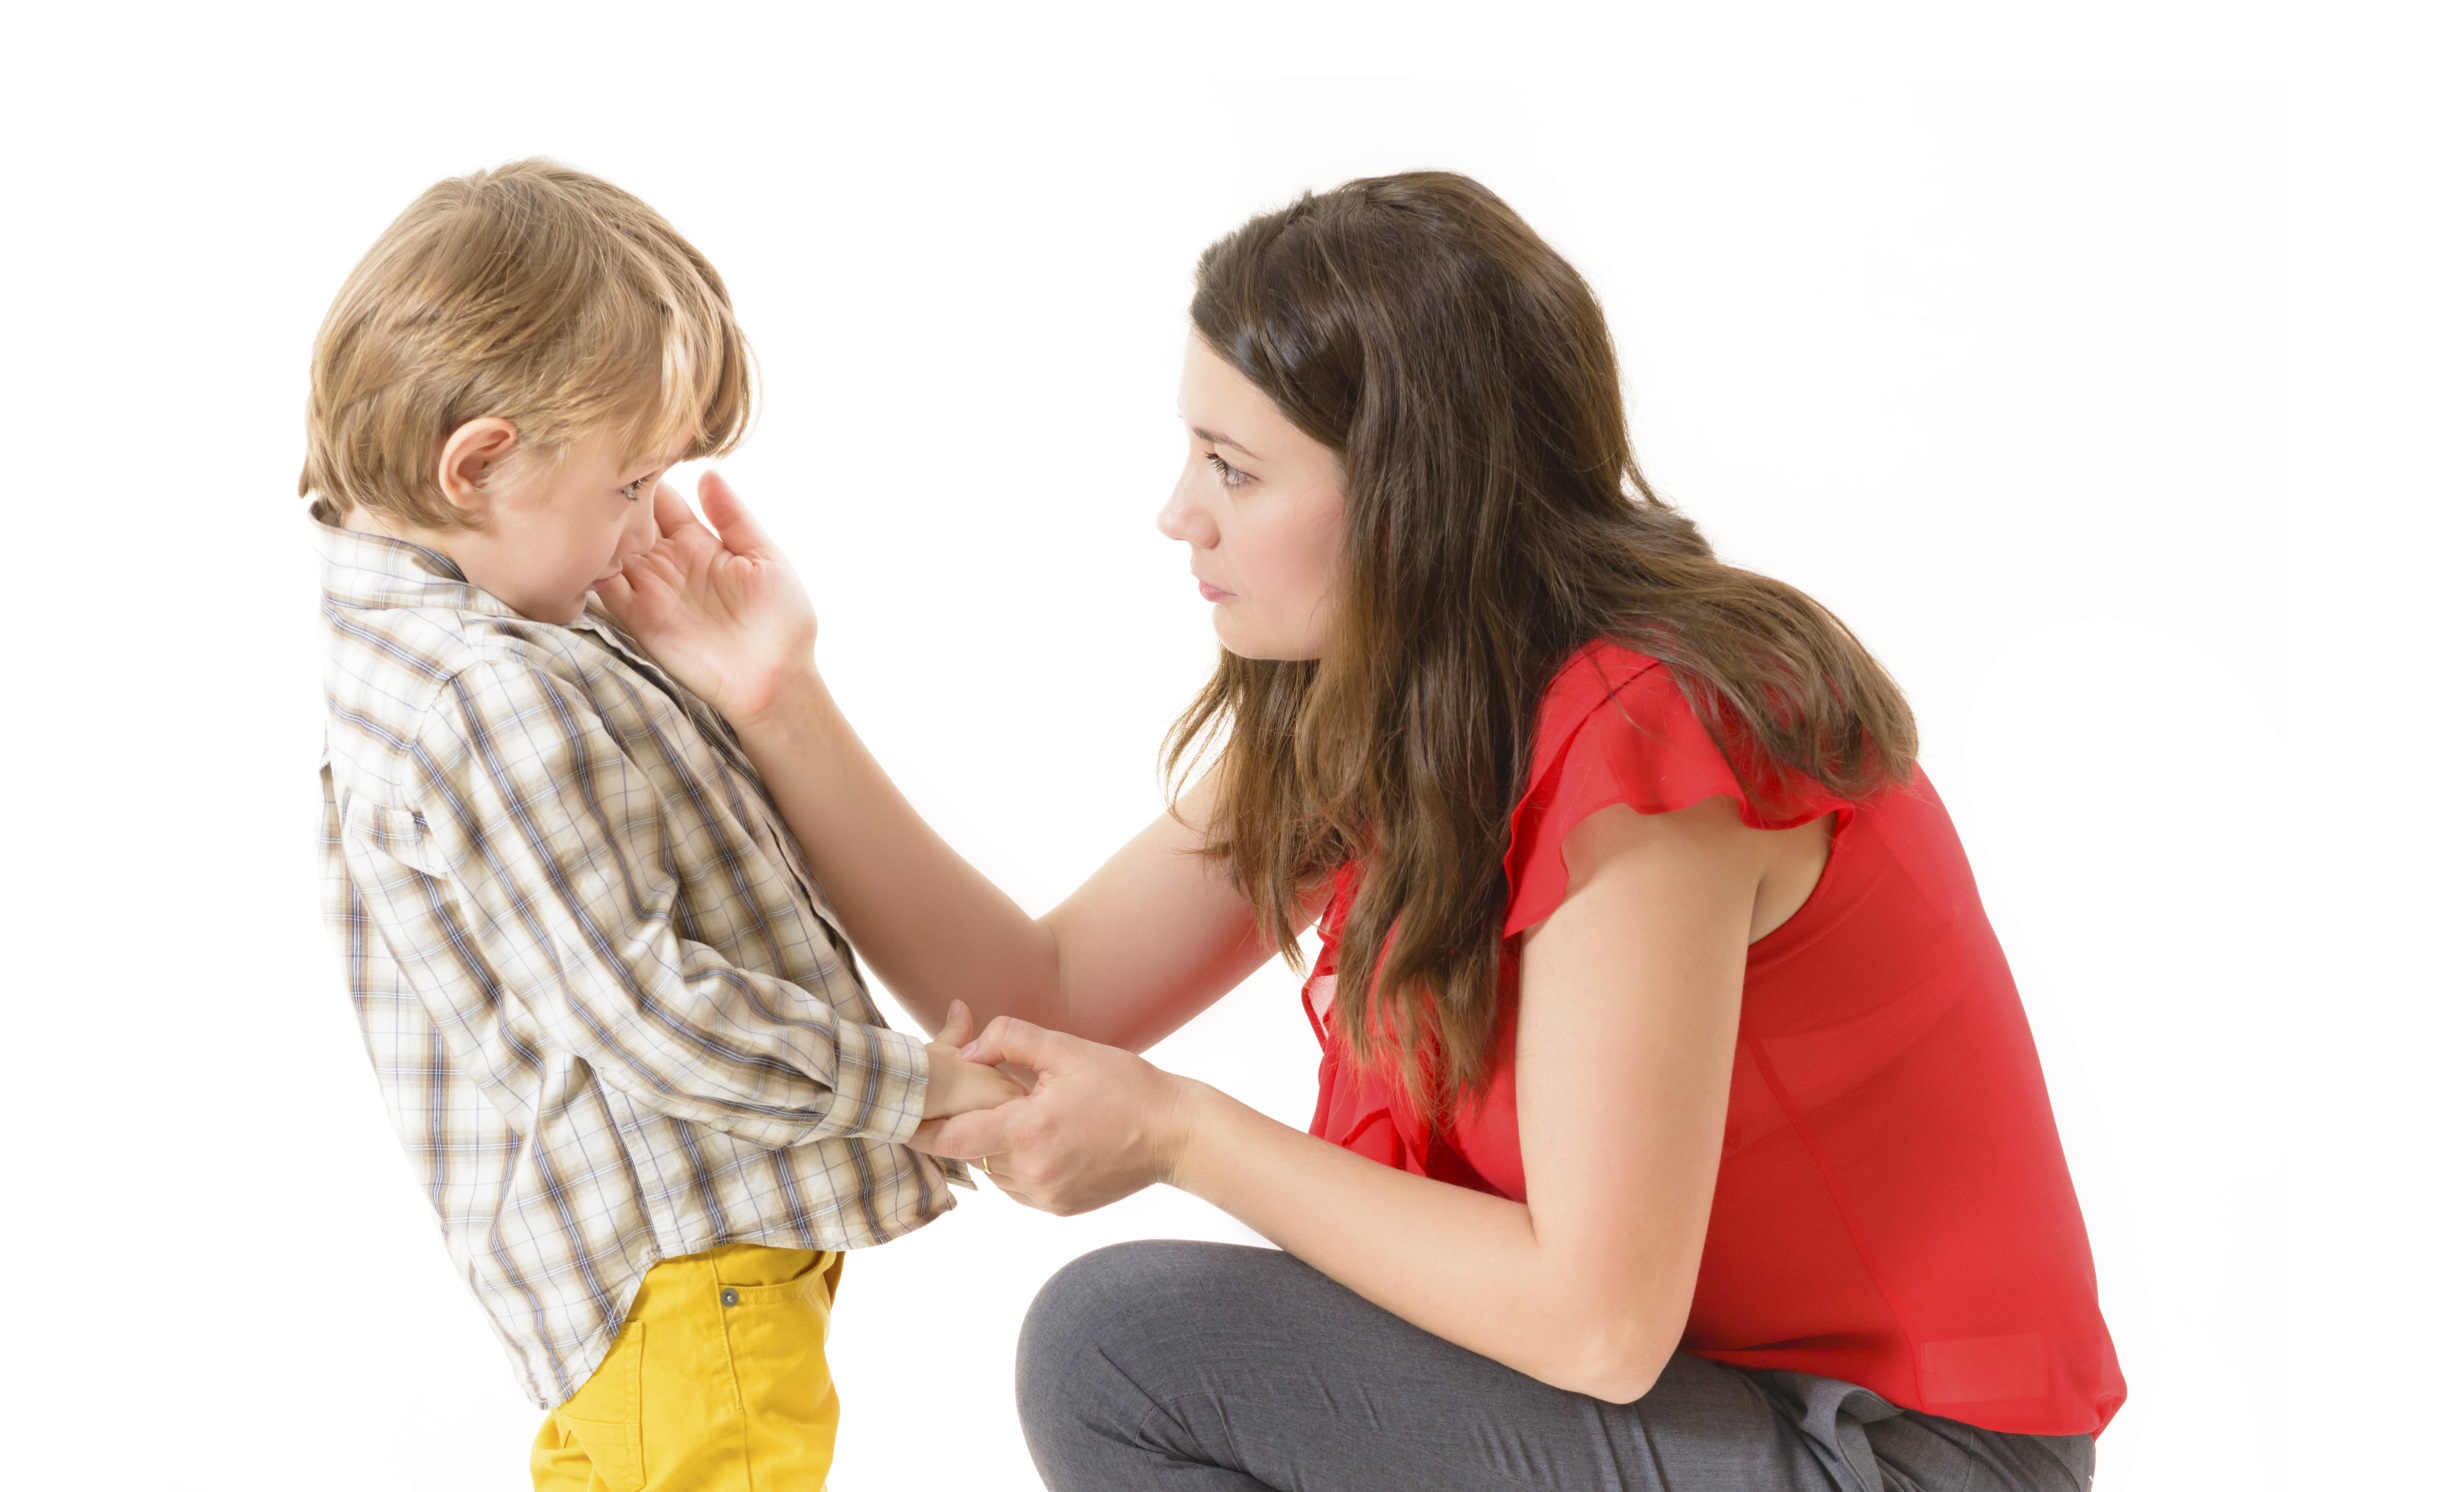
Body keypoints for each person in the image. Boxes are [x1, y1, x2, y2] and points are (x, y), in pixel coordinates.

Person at [600, 171, 2123, 1491]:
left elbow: (1598, 1320)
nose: (1174, 514)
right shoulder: (1391, 701)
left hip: (1884, 1455)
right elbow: (1048, 993)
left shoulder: (1650, 727)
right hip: (1700, 1419)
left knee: (1126, 1350)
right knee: (1126, 1352)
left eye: (1234, 468)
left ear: (1412, 496)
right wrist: (774, 696)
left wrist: (1183, 1131)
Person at [302, 159, 1021, 1491]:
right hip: (689, 1283)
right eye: (630, 484)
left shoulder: (474, 635)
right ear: (478, 467)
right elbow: (651, 1014)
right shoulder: (486, 692)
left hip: (678, 1288)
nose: (647, 525)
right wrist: (924, 1091)